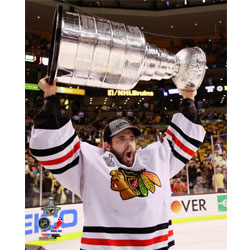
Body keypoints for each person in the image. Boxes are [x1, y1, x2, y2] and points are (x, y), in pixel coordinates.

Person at [30, 76, 205, 250]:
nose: (129, 142)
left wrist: (188, 97)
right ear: (107, 146)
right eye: (121, 138)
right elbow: (53, 143)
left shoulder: (155, 158)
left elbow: (184, 135)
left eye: (131, 138)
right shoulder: (92, 163)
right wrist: (50, 96)